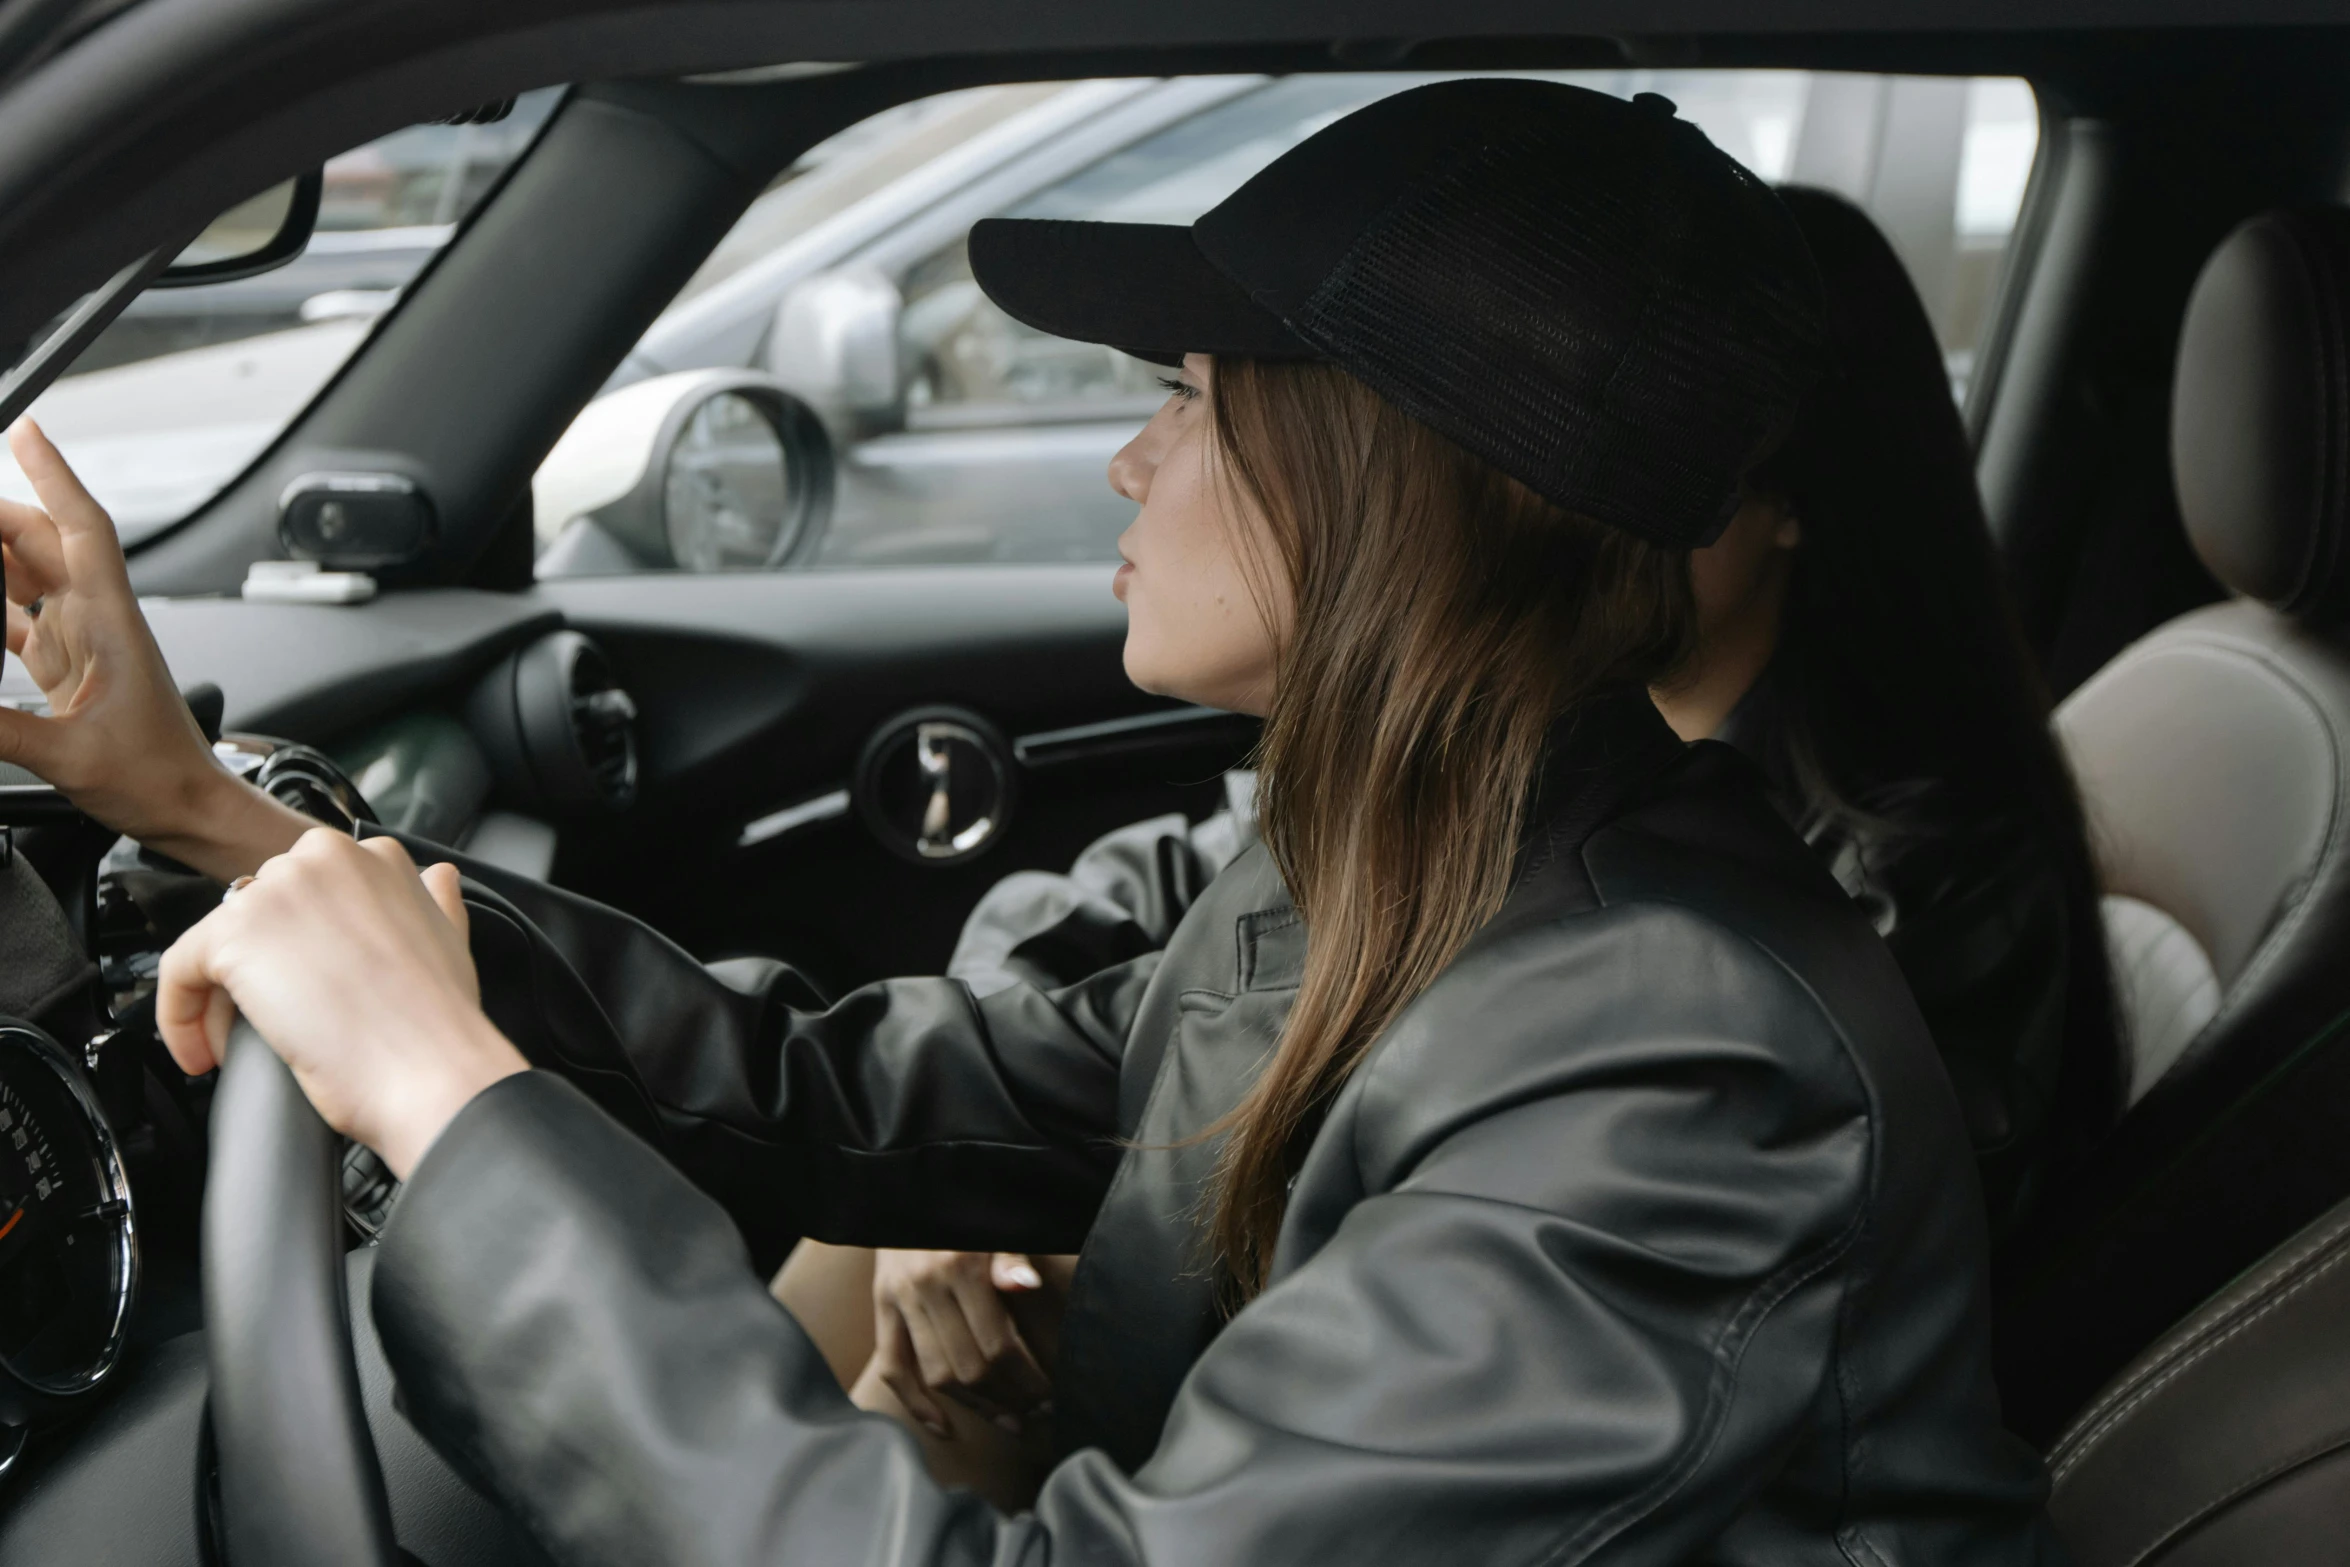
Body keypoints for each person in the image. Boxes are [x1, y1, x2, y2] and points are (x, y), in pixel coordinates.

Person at [0, 82, 2061, 1564]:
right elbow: (840, 1090)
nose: (1126, 463)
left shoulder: (1675, 1059)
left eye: (1192, 395)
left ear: (1393, 490)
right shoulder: (1404, 856)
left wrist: (452, 1114)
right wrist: (204, 811)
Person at [803, 187, 2125, 1495]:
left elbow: (1618, 1302)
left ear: (1784, 496)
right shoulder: (1507, 767)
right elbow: (1167, 911)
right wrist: (945, 1199)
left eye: (1645, 446)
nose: (1575, 477)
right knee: (861, 1246)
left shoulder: (1820, 937)